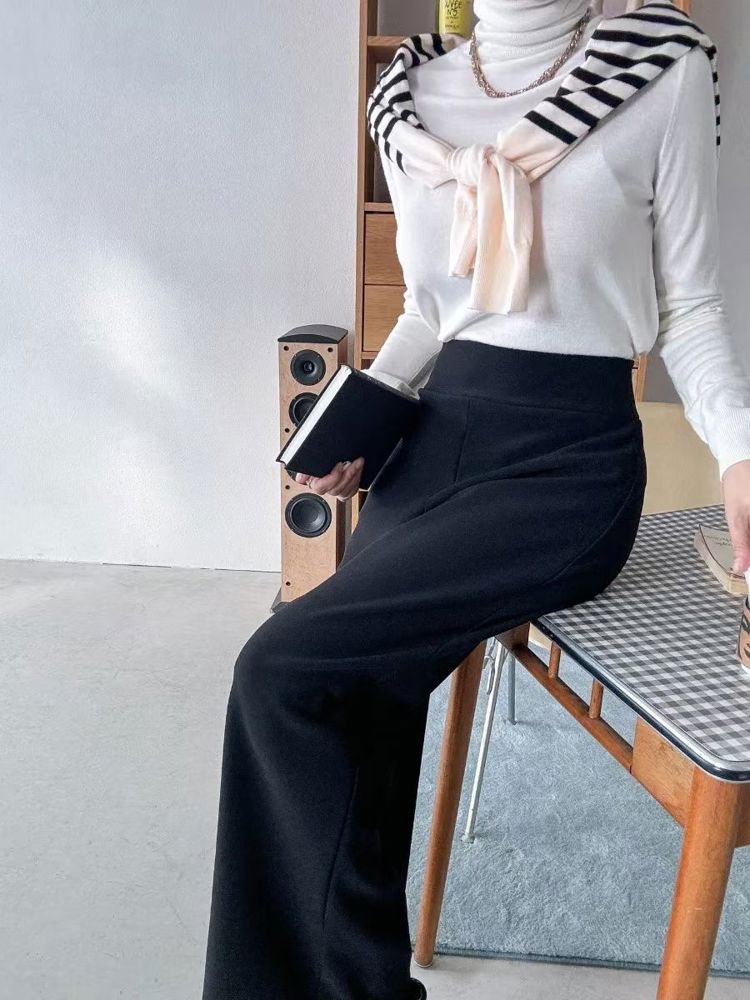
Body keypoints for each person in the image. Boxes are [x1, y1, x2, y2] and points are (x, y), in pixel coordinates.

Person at [201, 2, 750, 998]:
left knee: (280, 669)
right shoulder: (407, 97)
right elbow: (430, 308)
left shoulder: (661, 65)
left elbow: (692, 305)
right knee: (348, 692)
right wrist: (363, 416)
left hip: (568, 462)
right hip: (431, 435)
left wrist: (740, 454)